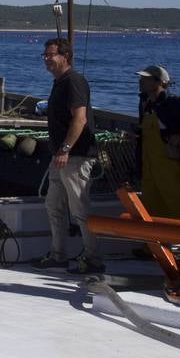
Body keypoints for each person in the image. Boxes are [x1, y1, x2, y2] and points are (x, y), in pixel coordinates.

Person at [34, 38, 104, 274]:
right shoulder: (59, 83)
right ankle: (58, 254)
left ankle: (93, 258)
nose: (46, 59)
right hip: (60, 157)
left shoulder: (74, 81)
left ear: (65, 56)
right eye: (44, 55)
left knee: (79, 209)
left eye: (50, 54)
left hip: (75, 156)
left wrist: (65, 149)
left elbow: (80, 118)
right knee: (53, 205)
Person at [135, 65, 180, 222]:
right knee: (151, 203)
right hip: (149, 164)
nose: (140, 82)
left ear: (159, 82)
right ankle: (153, 244)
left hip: (169, 164)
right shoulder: (144, 103)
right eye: (140, 79)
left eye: (146, 79)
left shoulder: (174, 102)